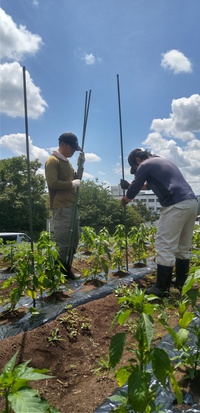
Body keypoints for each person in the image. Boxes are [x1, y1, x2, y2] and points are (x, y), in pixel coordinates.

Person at [120, 148, 198, 297]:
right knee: (183, 246)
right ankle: (181, 281)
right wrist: (129, 185)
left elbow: (136, 186)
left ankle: (161, 288)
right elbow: (148, 186)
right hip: (191, 203)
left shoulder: (145, 164)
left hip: (175, 205)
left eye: (135, 169)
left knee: (164, 245)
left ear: (137, 160)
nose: (137, 171)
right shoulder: (163, 161)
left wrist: (125, 199)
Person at [45, 132, 85, 279]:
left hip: (72, 207)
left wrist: (81, 166)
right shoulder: (52, 161)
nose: (74, 151)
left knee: (73, 240)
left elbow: (77, 180)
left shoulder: (67, 163)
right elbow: (52, 183)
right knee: (63, 243)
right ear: (62, 144)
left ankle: (66, 270)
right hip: (61, 208)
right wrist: (71, 184)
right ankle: (55, 275)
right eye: (72, 148)